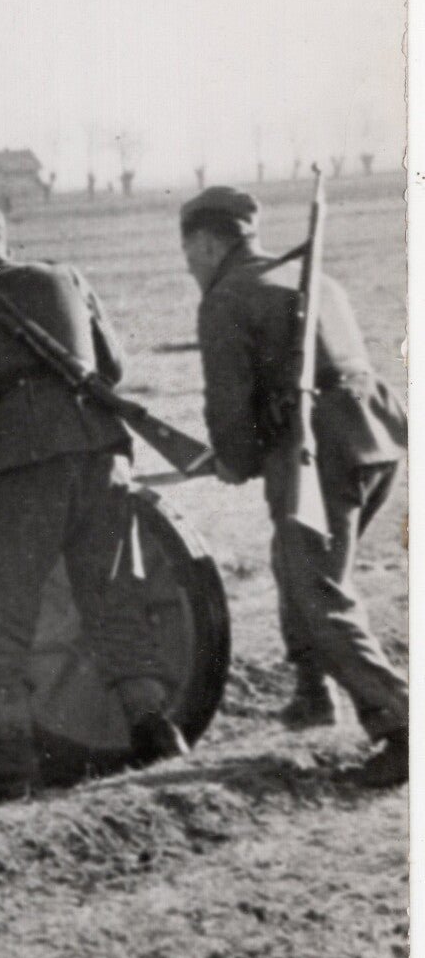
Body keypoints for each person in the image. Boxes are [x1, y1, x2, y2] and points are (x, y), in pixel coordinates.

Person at [0, 198, 186, 794]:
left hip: (22, 466)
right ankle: (156, 730)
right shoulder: (68, 276)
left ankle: (11, 759)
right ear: (1, 239)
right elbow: (110, 367)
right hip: (104, 456)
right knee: (112, 596)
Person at [180, 185, 408, 787]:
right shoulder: (315, 279)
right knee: (297, 566)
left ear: (206, 244)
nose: (190, 269)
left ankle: (401, 724)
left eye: (191, 255)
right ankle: (313, 693)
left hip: (320, 452)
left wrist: (234, 459)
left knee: (316, 587)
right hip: (378, 438)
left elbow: (229, 408)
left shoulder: (227, 299)